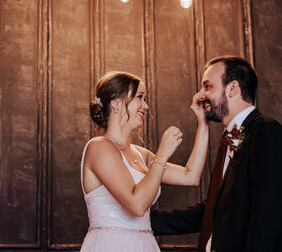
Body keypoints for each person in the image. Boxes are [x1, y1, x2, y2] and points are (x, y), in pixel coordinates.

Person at [150, 56, 282, 252]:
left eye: (207, 87)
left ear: (232, 88)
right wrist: (139, 221)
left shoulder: (267, 132)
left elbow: (269, 215)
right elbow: (215, 211)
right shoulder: (231, 138)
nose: (200, 95)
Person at [80, 71, 209, 251]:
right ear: (116, 102)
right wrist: (162, 154)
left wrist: (203, 123)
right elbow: (136, 205)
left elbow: (191, 176)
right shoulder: (99, 147)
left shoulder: (142, 154)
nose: (146, 106)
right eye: (139, 97)